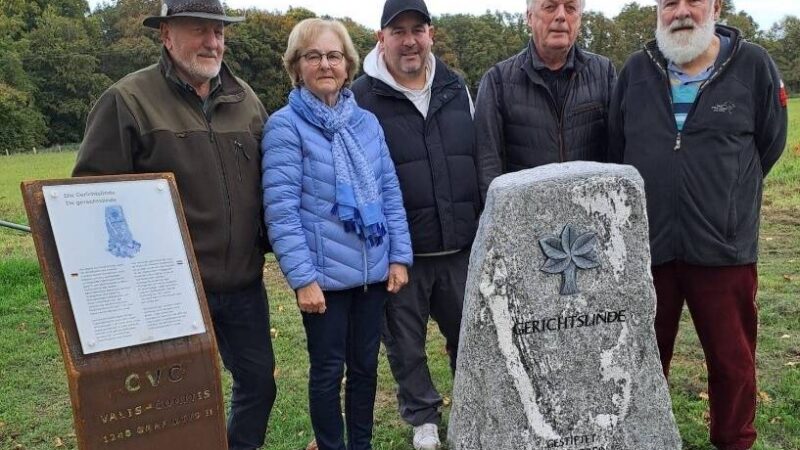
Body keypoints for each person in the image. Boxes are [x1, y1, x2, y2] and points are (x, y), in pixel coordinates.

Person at [72, 1, 276, 449]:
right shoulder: (128, 101)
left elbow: (272, 183)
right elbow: (91, 198)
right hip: (169, 293)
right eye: (199, 29)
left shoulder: (245, 100)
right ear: (166, 35)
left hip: (242, 282)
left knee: (260, 385)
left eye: (219, 31)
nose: (212, 42)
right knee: (176, 403)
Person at [608, 0, 788, 448]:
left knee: (732, 360)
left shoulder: (752, 66)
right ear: (658, 11)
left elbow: (770, 142)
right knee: (644, 358)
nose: (681, 12)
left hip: (724, 247)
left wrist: (726, 199)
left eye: (693, 1)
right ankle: (643, 439)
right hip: (649, 248)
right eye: (670, 3)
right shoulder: (635, 71)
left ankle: (733, 440)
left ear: (716, 7)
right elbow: (617, 147)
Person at [262, 18, 413, 450]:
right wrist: (302, 279)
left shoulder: (367, 124)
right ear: (296, 66)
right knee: (328, 372)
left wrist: (398, 256)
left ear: (348, 65)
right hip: (323, 282)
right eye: (313, 56)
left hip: (371, 275)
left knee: (365, 369)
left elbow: (389, 193)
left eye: (334, 56)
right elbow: (282, 212)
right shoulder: (285, 127)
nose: (325, 65)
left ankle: (360, 445)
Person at [351, 1, 482, 448]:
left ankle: (474, 405)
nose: (409, 41)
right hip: (399, 254)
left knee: (469, 334)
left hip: (460, 245)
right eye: (398, 31)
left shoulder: (455, 86)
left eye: (417, 30)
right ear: (381, 38)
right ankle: (423, 417)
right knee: (406, 344)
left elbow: (476, 155)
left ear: (431, 34)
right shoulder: (361, 97)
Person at [474, 0, 616, 201]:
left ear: (580, 18)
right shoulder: (498, 82)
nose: (561, 16)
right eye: (550, 7)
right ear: (529, 17)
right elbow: (488, 167)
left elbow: (617, 154)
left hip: (590, 213)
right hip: (526, 216)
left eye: (570, 8)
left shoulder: (604, 73)